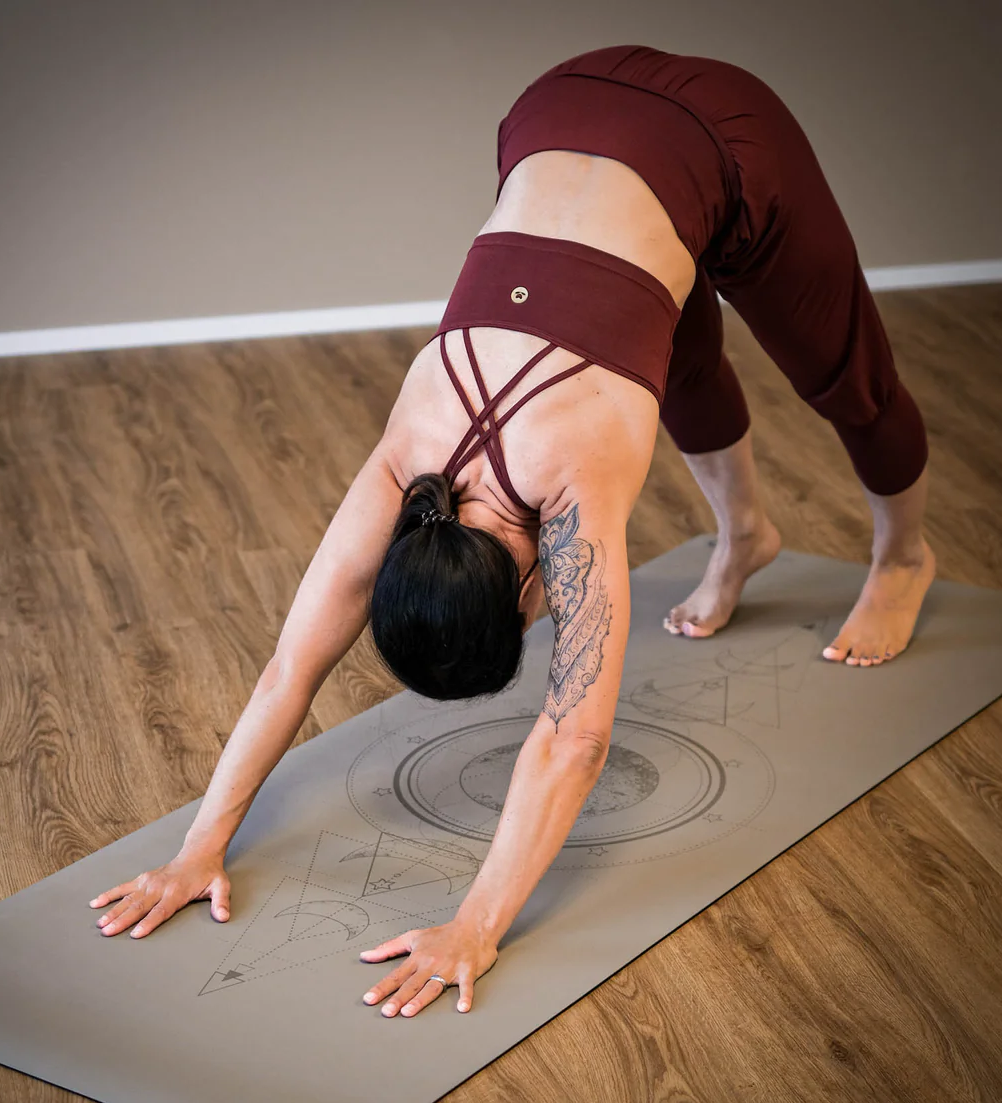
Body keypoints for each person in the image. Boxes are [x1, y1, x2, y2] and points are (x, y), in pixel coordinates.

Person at [90, 44, 935, 1019]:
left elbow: (574, 738)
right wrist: (197, 850)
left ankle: (907, 553)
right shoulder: (405, 467)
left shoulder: (573, 484)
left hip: (729, 139)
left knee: (845, 374)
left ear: (534, 593)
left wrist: (476, 925)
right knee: (676, 353)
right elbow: (290, 669)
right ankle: (744, 536)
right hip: (557, 104)